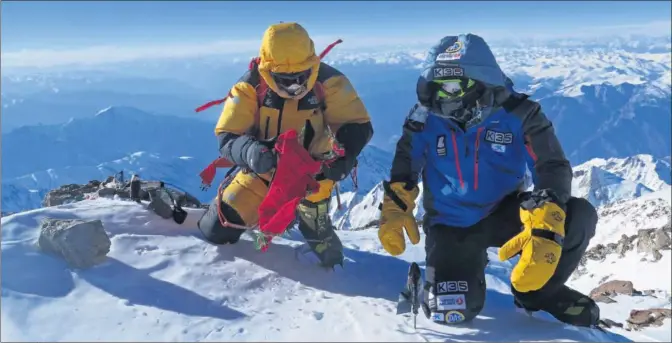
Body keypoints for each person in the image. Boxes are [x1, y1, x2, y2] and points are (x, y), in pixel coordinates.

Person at [378, 33, 600, 327]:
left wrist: (548, 214)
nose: (445, 97)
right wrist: (396, 205)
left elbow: (551, 163)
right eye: (438, 88)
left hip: (505, 212)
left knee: (577, 216)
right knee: (451, 312)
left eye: (454, 87)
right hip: (449, 223)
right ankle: (464, 267)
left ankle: (538, 295)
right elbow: (406, 161)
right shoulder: (424, 118)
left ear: (480, 82)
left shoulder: (520, 114)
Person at [197, 22, 373, 268]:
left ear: (312, 65)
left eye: (300, 77)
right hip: (263, 171)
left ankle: (308, 216)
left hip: (314, 177)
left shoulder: (329, 82)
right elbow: (227, 135)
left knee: (329, 257)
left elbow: (357, 124)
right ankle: (260, 212)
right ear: (268, 70)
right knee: (215, 229)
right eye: (284, 79)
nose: (294, 86)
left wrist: (344, 157)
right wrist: (250, 152)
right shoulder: (250, 86)